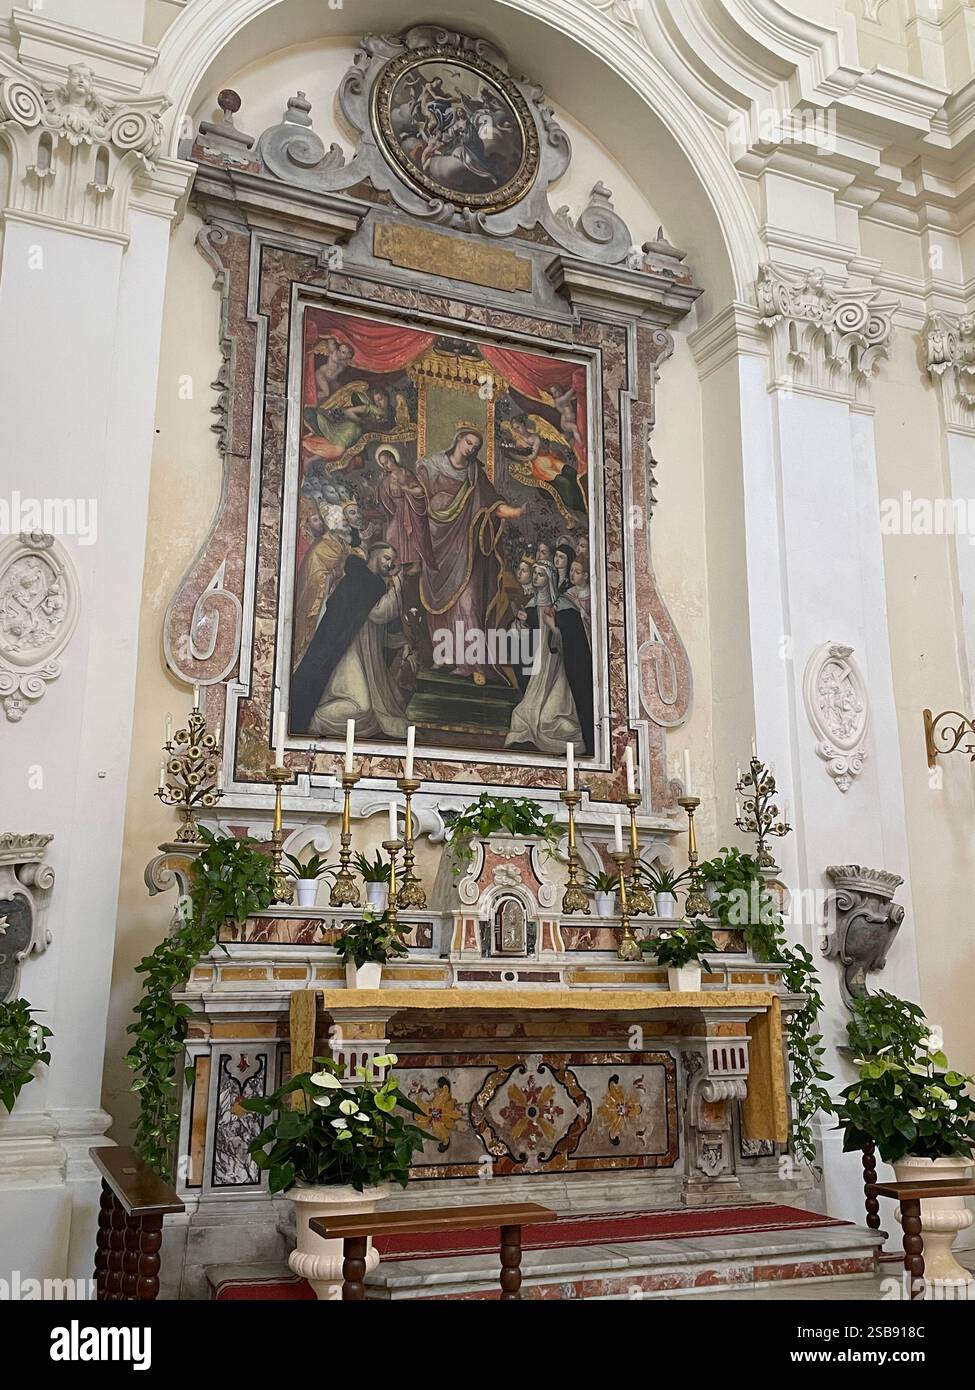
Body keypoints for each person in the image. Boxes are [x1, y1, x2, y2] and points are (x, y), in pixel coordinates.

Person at [415, 425, 524, 683]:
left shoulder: (475, 475)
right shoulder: (430, 466)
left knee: (469, 601)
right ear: (457, 439)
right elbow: (416, 500)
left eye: (475, 446)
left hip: (466, 548)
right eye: (468, 442)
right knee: (438, 603)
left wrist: (514, 512)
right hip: (436, 546)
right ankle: (444, 656)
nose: (471, 448)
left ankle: (472, 663)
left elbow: (493, 504)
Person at [290, 543, 409, 737]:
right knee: (360, 706)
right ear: (374, 554)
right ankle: (314, 722)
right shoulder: (363, 581)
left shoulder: (370, 581)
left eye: (392, 561)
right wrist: (398, 583)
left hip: (351, 646)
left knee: (377, 703)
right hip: (341, 646)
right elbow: (378, 613)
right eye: (387, 558)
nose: (390, 564)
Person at [505, 563, 583, 754]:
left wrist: (552, 626)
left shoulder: (561, 605)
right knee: (526, 709)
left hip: (552, 660)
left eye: (540, 575)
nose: (535, 578)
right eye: (535, 574)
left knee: (551, 714)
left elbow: (564, 638)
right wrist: (521, 623)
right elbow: (529, 629)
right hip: (537, 656)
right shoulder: (532, 603)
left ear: (549, 579)